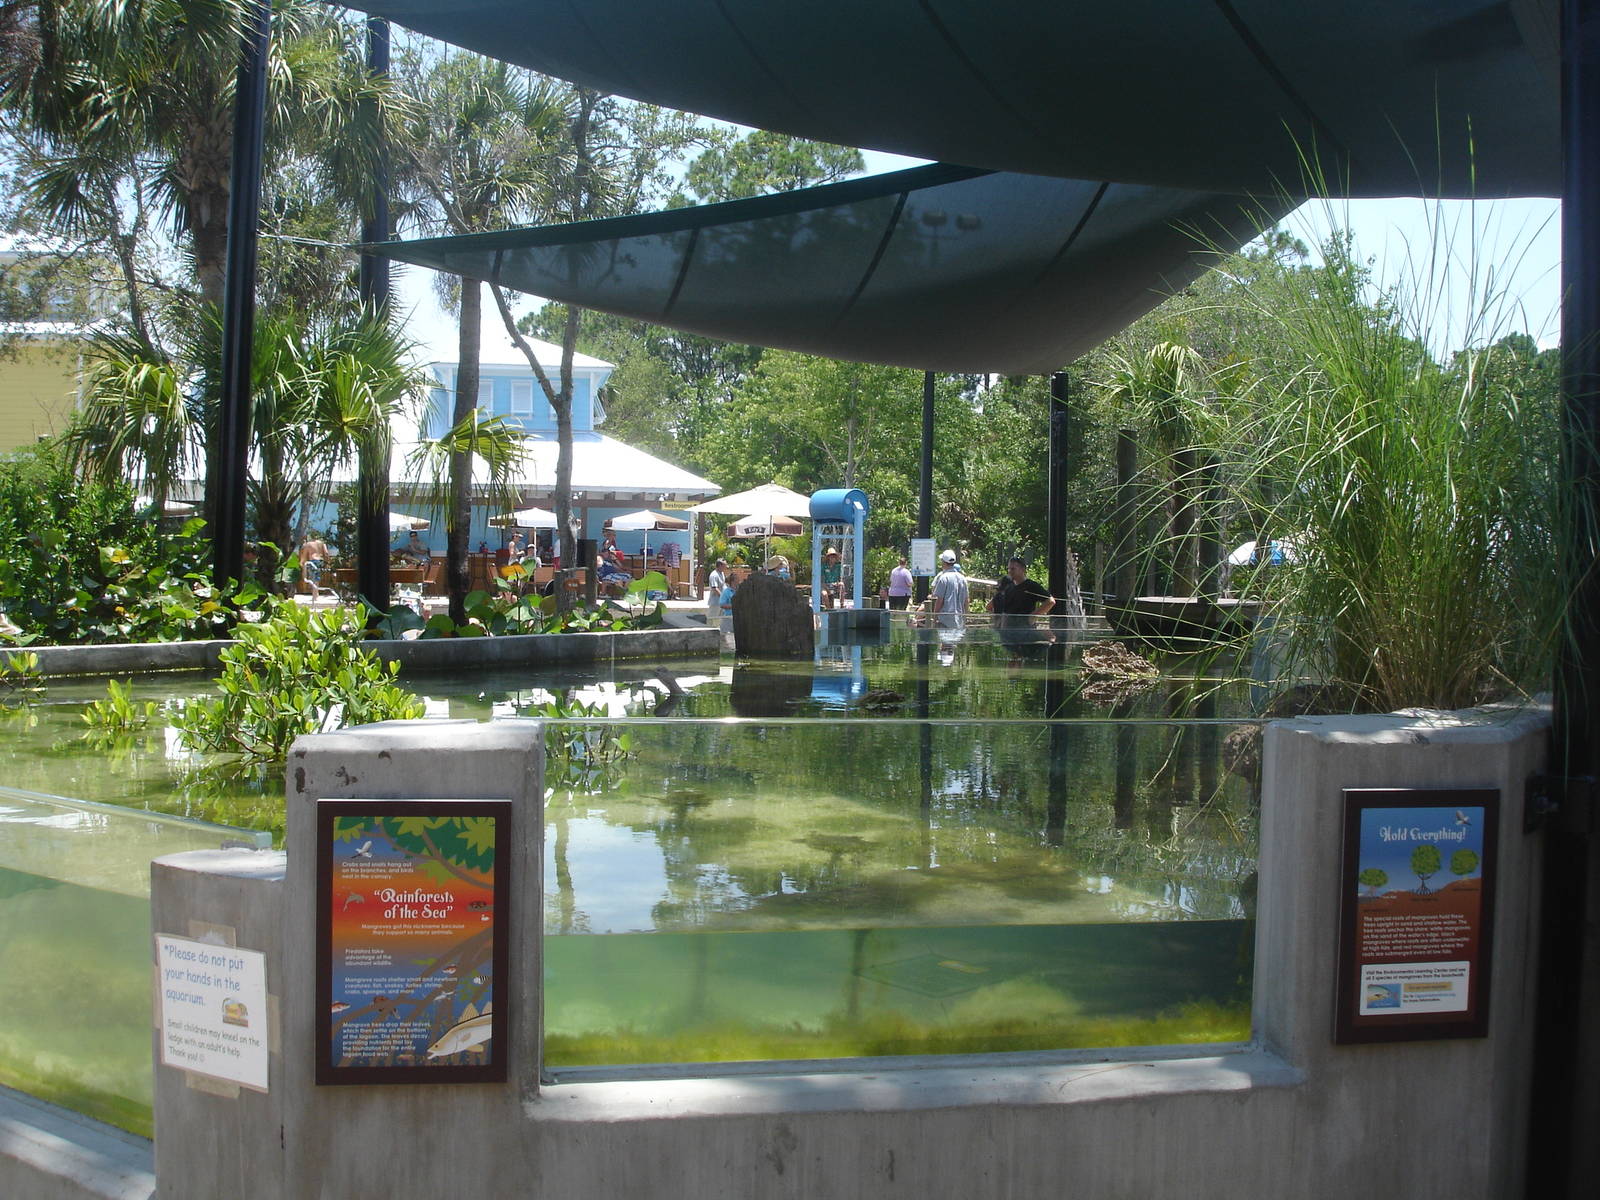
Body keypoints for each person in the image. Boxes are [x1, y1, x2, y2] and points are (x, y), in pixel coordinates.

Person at [990, 556, 1055, 617]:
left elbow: (1050, 601)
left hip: (1024, 628)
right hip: (1008, 628)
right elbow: (1004, 611)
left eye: (1013, 569)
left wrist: (1033, 616)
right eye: (1008, 569)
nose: (1010, 571)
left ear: (1023, 569)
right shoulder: (1009, 587)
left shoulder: (1031, 585)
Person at [929, 548, 969, 630]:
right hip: (959, 618)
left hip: (945, 619)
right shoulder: (962, 578)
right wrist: (966, 617)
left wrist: (935, 617)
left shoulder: (943, 578)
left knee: (946, 642)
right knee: (954, 641)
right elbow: (966, 600)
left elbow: (939, 600)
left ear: (944, 562)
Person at [298, 536, 329, 603]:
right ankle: (316, 594)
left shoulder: (308, 544)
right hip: (321, 561)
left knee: (314, 578)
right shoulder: (322, 543)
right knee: (317, 578)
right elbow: (326, 553)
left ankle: (314, 595)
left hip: (313, 561)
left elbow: (304, 555)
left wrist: (301, 562)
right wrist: (327, 562)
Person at [706, 557, 728, 625]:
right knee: (711, 620)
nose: (726, 567)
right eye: (725, 565)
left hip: (722, 603)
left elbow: (724, 585)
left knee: (721, 620)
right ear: (720, 565)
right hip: (715, 602)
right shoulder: (714, 575)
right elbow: (715, 588)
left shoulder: (722, 574)